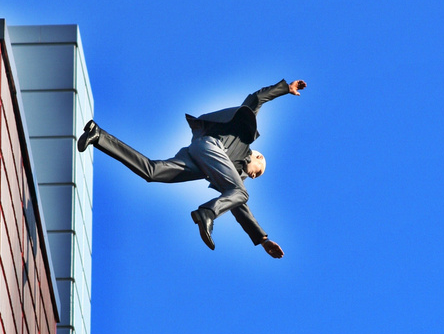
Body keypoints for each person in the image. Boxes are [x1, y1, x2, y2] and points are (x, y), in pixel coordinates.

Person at [77, 78, 306, 256]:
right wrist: (285, 88)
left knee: (152, 172)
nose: (254, 176)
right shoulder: (244, 136)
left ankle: (98, 136)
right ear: (257, 156)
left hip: (197, 158)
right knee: (241, 193)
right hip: (210, 145)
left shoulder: (235, 175)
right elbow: (256, 98)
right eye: (258, 171)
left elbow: (239, 208)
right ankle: (206, 212)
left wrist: (263, 240)